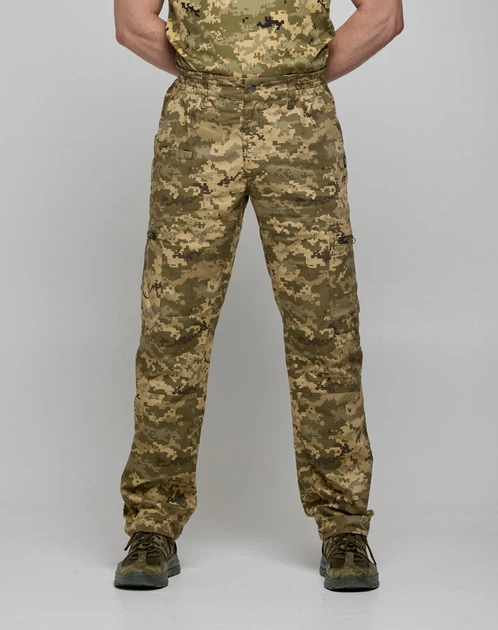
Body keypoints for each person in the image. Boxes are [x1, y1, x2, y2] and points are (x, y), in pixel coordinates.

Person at [113, 0, 404, 592]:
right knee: (172, 330)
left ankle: (344, 527)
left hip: (299, 122)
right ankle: (151, 526)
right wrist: (215, 72)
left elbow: (384, 14)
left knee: (325, 330)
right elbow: (132, 23)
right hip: (200, 122)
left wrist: (296, 74)